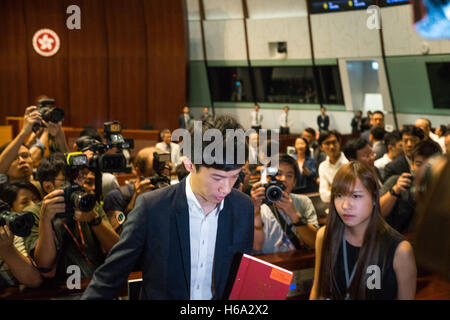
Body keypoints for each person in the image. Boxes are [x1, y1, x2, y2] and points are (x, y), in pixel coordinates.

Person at [82, 115, 254, 300]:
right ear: (189, 164)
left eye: (235, 176)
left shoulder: (243, 207)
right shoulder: (153, 208)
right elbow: (110, 277)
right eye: (217, 178)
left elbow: (240, 278)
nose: (226, 189)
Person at [310, 161, 417, 300]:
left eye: (356, 196)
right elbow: (318, 291)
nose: (345, 205)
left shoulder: (400, 250)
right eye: (339, 195)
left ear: (374, 198)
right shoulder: (324, 236)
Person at [23, 155, 119, 281]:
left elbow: (116, 249)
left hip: (96, 283)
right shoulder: (33, 213)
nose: (76, 185)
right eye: (67, 181)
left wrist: (94, 220)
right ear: (48, 186)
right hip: (60, 289)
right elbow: (44, 265)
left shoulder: (88, 203)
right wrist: (45, 221)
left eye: (78, 178)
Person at [251, 154, 319, 253]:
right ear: (269, 179)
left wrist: (294, 215)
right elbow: (256, 247)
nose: (283, 179)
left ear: (294, 182)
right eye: (278, 174)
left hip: (298, 264)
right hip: (270, 263)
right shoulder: (259, 203)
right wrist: (255, 209)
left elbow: (315, 243)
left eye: (289, 176)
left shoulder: (304, 202)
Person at [379, 140, 442, 234]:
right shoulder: (396, 181)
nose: (423, 170)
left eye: (429, 165)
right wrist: (395, 190)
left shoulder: (443, 189)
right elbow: (377, 214)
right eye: (419, 164)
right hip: (396, 241)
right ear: (411, 165)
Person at [102, 147, 159, 231]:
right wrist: (135, 201)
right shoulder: (116, 197)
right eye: (155, 175)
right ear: (138, 172)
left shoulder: (170, 193)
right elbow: (117, 236)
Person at [317, 130, 349, 203]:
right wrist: (339, 190)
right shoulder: (322, 166)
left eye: (334, 142)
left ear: (339, 142)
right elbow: (324, 196)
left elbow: (348, 194)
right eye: (327, 143)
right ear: (321, 147)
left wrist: (331, 188)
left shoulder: (348, 164)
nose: (331, 147)